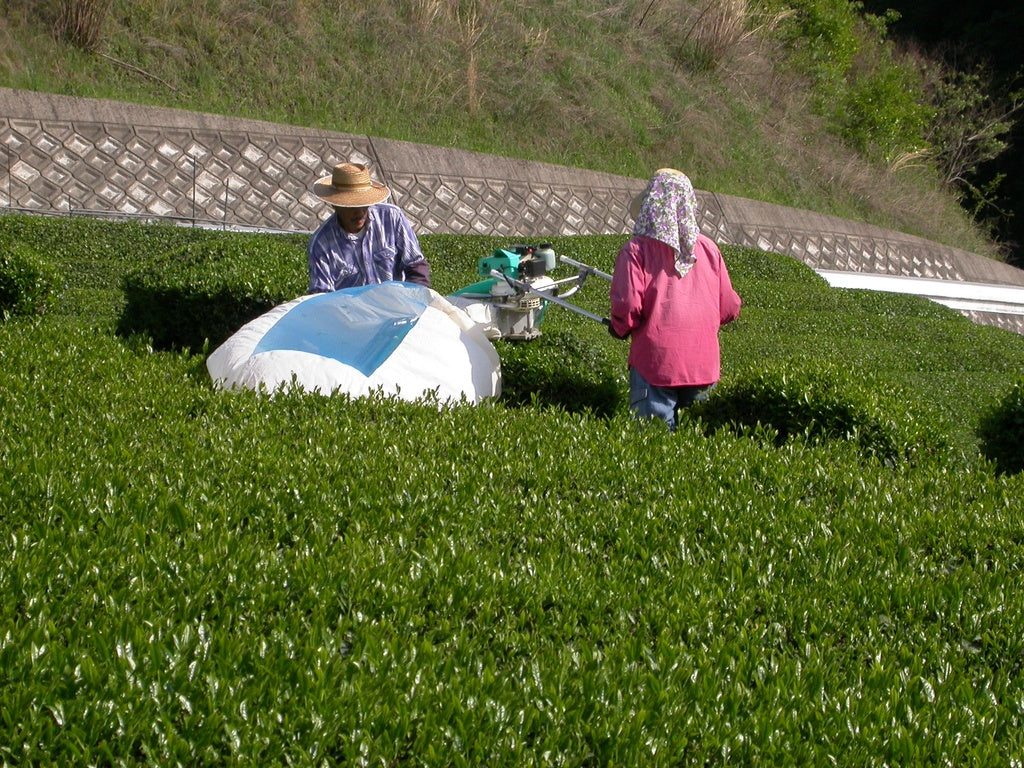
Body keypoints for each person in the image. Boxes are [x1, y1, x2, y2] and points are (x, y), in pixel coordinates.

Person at [608, 168, 742, 430]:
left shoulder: (637, 250)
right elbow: (729, 306)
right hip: (703, 366)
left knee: (655, 446)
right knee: (698, 445)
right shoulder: (709, 249)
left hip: (655, 364)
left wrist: (619, 327)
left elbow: (627, 306)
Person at [307, 162, 431, 293]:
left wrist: (414, 298)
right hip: (349, 311)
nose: (359, 212)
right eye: (352, 207)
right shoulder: (321, 244)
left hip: (396, 304)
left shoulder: (392, 218)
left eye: (364, 204)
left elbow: (416, 265)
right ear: (335, 205)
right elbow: (322, 296)